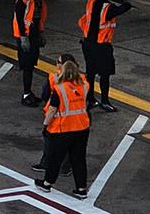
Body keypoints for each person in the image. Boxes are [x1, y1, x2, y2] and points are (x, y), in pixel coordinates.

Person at [38, 58, 91, 198]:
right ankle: (81, 189)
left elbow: (52, 110)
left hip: (63, 129)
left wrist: (45, 125)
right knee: (79, 159)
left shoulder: (60, 89)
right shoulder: (85, 86)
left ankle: (47, 183)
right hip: (82, 127)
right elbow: (85, 104)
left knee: (55, 158)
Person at [78, 0, 133, 112]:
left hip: (87, 43)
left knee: (90, 74)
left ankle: (90, 99)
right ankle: (104, 101)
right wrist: (129, 0)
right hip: (101, 47)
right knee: (105, 74)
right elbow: (124, 8)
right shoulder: (107, 9)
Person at [12, 0, 48, 106]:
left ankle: (29, 93)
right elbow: (20, 20)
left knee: (31, 65)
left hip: (34, 35)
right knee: (27, 67)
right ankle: (26, 94)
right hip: (26, 36)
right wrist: (23, 38)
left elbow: (38, 18)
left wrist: (41, 33)